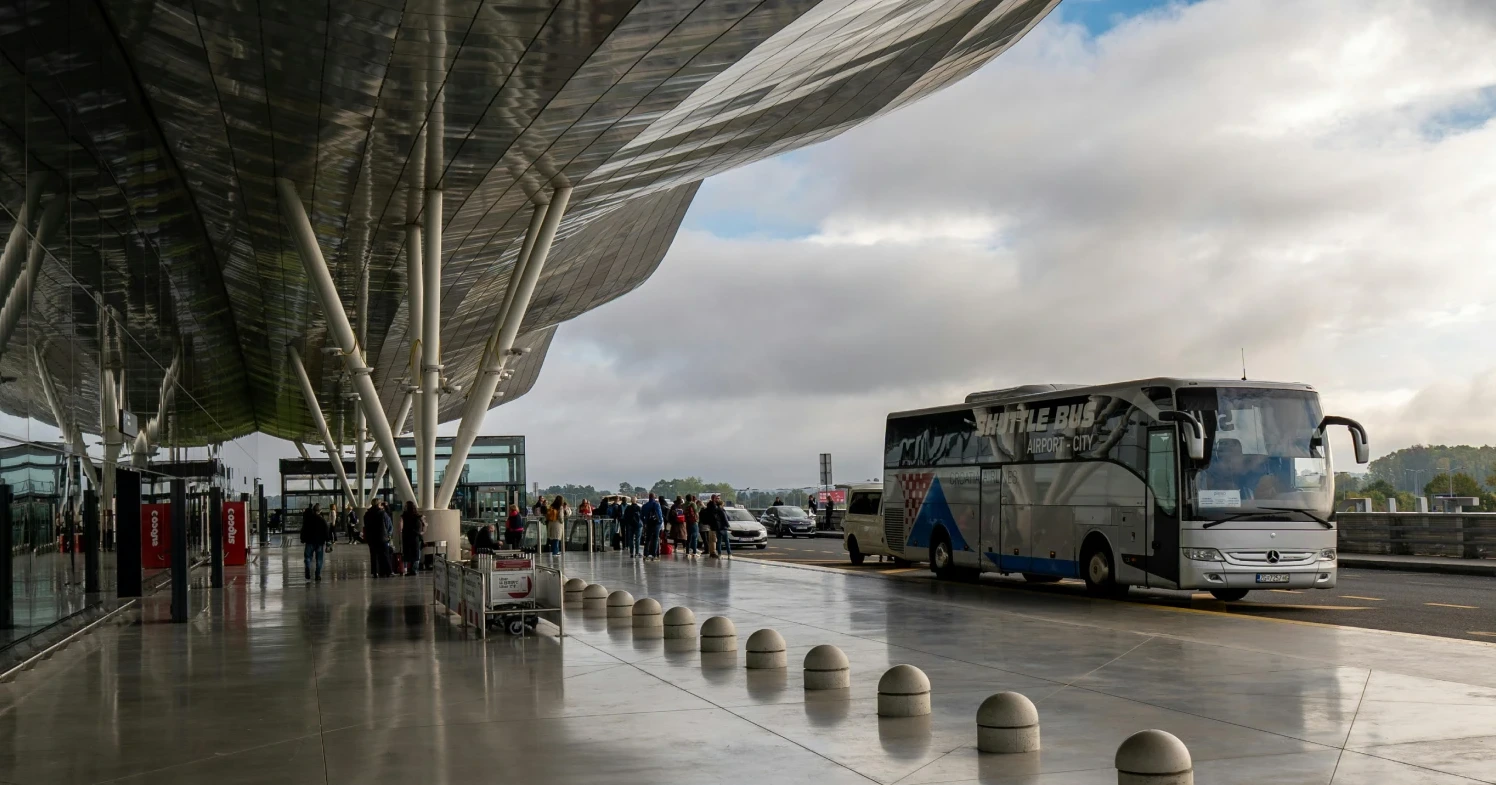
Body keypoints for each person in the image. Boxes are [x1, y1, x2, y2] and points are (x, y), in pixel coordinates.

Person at [300, 503, 329, 581]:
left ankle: (308, 568)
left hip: (309, 541)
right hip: (319, 542)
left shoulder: (308, 519)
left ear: (313, 510)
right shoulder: (322, 520)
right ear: (320, 511)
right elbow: (326, 532)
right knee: (319, 559)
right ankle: (318, 575)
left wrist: (302, 539)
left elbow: (303, 529)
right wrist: (328, 542)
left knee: (308, 557)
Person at [363, 500, 390, 577]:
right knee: (384, 554)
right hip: (382, 537)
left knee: (374, 555)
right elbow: (387, 524)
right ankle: (386, 571)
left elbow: (366, 525)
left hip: (371, 538)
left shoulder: (367, 514)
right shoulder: (382, 513)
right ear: (378, 504)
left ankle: (375, 572)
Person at [399, 501, 425, 576]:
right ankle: (414, 569)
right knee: (416, 554)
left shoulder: (404, 516)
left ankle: (409, 569)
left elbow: (401, 527)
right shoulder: (417, 517)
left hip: (407, 537)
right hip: (415, 538)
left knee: (409, 554)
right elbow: (420, 528)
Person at [640, 493, 664, 560]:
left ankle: (646, 554)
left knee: (647, 539)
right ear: (654, 497)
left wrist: (645, 522)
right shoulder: (656, 504)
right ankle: (654, 555)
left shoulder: (645, 506)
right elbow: (660, 515)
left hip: (648, 524)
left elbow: (641, 516)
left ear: (649, 497)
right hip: (656, 524)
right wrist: (660, 523)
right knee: (655, 539)